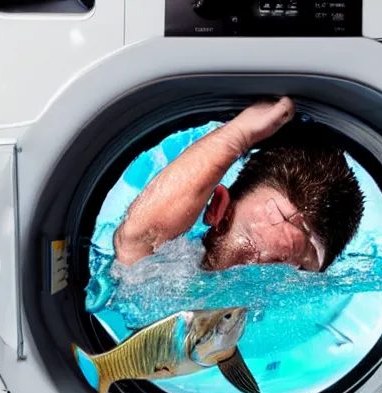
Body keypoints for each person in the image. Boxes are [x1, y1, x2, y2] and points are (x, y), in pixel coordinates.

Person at [113, 97, 364, 273]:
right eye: (249, 252)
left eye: (292, 274)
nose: (257, 285)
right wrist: (238, 136)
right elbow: (135, 239)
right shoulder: (176, 271)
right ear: (218, 210)